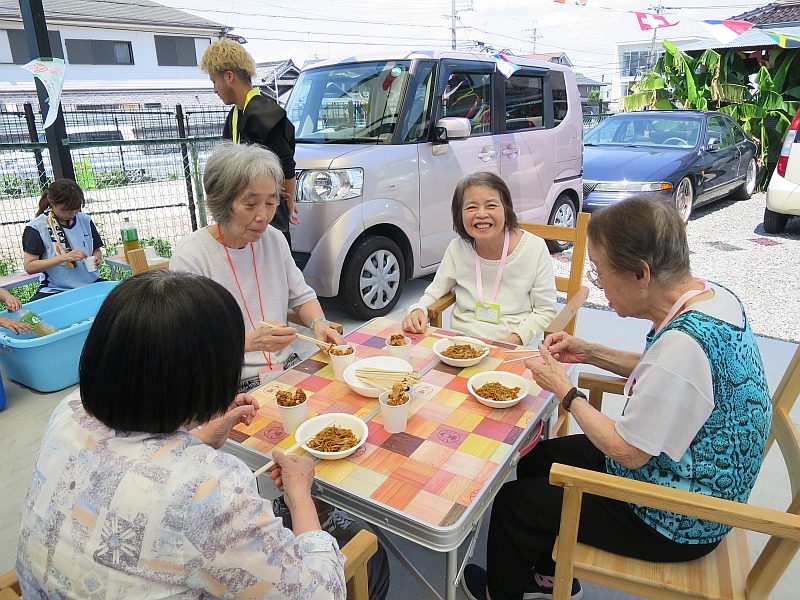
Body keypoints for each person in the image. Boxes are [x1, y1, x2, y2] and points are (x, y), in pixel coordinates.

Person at [461, 197, 773, 600]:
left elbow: (628, 453)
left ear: (641, 273)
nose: (599, 283)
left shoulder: (683, 347)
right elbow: (661, 372)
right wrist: (589, 351)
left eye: (601, 271)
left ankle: (499, 593)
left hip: (679, 517)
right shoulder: (712, 298)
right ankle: (548, 574)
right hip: (693, 476)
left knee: (514, 502)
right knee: (538, 458)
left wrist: (565, 390)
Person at [16, 270, 347, 598]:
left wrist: (199, 439)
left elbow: (133, 470)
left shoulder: (70, 410)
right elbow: (318, 595)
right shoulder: (211, 489)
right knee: (371, 567)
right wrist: (301, 496)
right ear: (205, 377)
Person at [171, 142, 344, 392]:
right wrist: (249, 342)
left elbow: (302, 297)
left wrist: (319, 324)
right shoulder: (192, 256)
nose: (263, 216)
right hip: (229, 386)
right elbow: (186, 342)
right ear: (222, 202)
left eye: (271, 203)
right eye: (251, 205)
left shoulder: (273, 240)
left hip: (286, 369)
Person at [402, 172, 557, 346]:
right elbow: (435, 291)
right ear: (459, 215)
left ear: (506, 209)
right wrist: (418, 309)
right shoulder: (457, 248)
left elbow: (545, 310)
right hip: (460, 343)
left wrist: (514, 339)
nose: (481, 214)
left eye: (491, 205)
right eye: (471, 207)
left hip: (512, 346)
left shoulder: (534, 248)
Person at [200, 38, 298, 248]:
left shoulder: (264, 112)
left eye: (214, 81)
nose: (215, 89)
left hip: (264, 214)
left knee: (272, 267)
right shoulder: (235, 115)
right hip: (239, 215)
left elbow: (287, 165)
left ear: (229, 77)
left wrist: (286, 203)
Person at [22, 179, 105, 301]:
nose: (72, 213)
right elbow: (29, 266)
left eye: (76, 208)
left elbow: (96, 250)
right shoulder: (37, 227)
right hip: (55, 289)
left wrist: (97, 259)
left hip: (91, 283)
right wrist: (63, 258)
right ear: (52, 202)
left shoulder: (84, 220)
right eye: (66, 209)